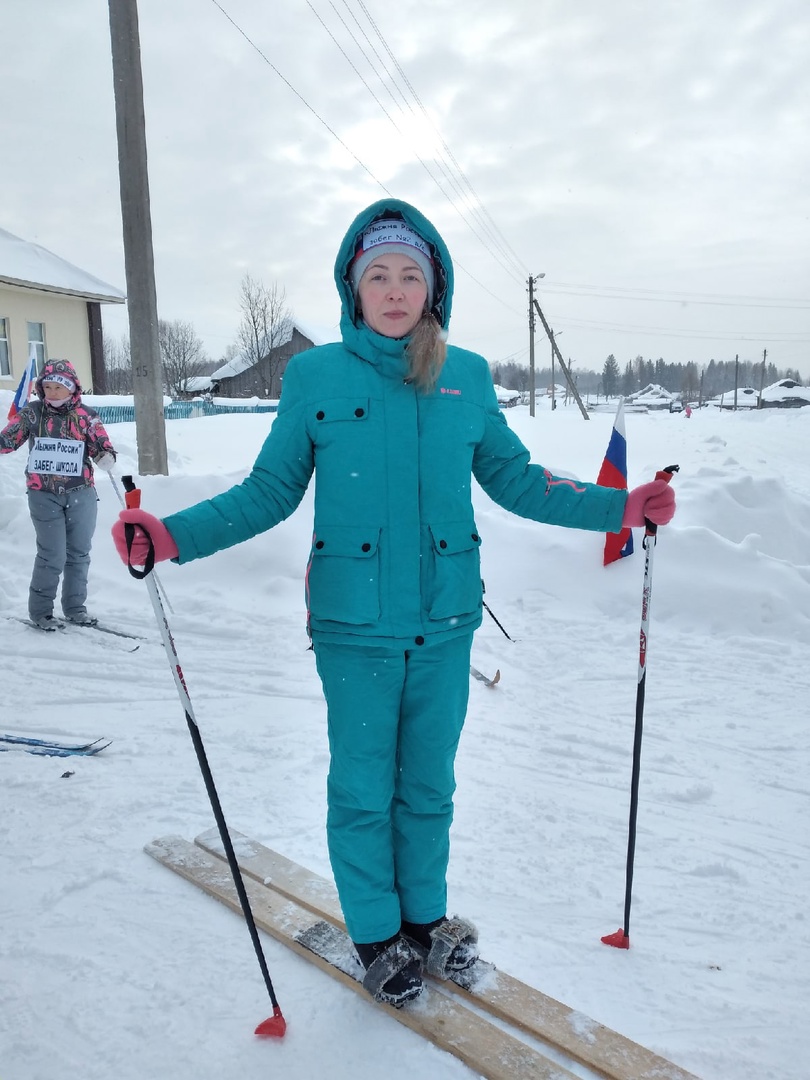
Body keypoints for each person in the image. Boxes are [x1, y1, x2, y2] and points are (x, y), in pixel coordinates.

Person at [111, 200, 675, 1006]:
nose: (395, 287)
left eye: (412, 273)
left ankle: (423, 922)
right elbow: (269, 491)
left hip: (445, 621)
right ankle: (376, 933)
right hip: (353, 627)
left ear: (435, 286)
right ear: (353, 286)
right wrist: (168, 536)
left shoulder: (466, 377)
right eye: (378, 273)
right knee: (364, 786)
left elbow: (519, 481)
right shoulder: (315, 377)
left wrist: (624, 507)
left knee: (430, 788)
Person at [1, 358, 117, 630]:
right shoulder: (32, 413)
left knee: (78, 553)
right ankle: (41, 612)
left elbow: (102, 445)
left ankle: (75, 608)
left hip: (81, 492)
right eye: (48, 387)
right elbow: (9, 440)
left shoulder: (87, 416)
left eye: (58, 387)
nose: (52, 392)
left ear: (72, 388)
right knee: (52, 553)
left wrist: (105, 457)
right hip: (43, 495)